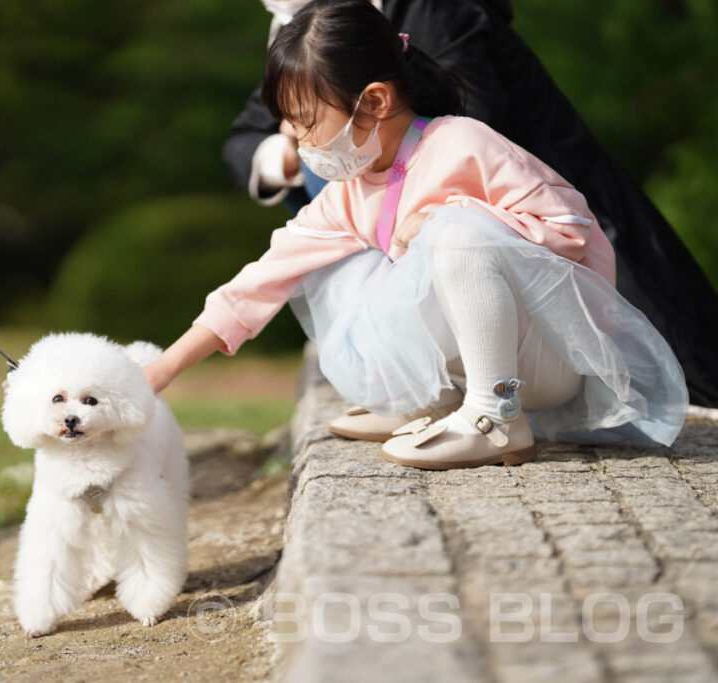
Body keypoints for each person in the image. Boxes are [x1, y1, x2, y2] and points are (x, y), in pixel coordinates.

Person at [143, 0, 686, 470]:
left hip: (547, 359)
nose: (301, 143)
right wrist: (162, 369)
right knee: (333, 260)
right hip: (488, 350)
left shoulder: (463, 143)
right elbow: (264, 277)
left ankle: (494, 417)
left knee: (455, 232)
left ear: (374, 101)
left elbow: (571, 227)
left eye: (307, 121)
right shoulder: (353, 190)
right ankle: (428, 400)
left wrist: (467, 224)